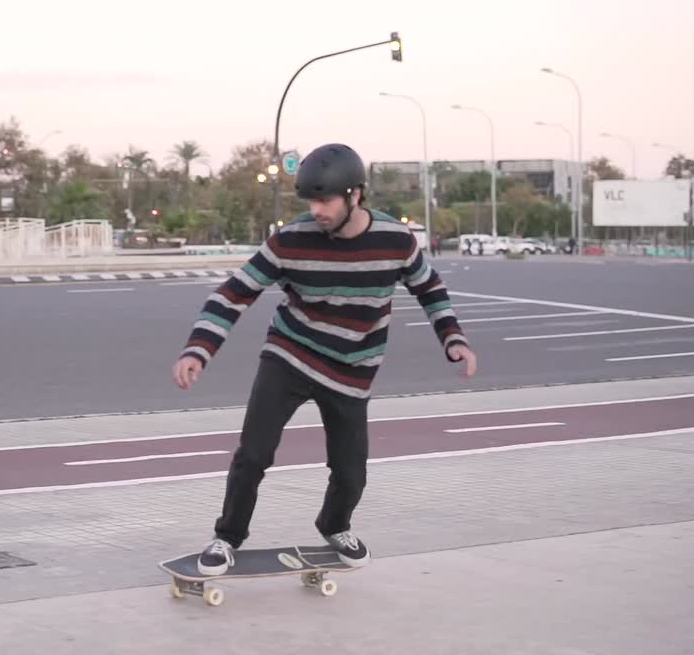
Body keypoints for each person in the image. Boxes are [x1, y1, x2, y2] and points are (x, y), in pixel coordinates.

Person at [171, 143, 479, 576]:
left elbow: (429, 288)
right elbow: (234, 293)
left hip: (354, 368)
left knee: (351, 472)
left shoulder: (396, 240)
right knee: (253, 453)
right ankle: (227, 536)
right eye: (310, 201)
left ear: (356, 195)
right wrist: (198, 349)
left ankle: (335, 526)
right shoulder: (290, 240)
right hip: (290, 354)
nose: (316, 211)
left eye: (326, 201)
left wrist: (453, 338)